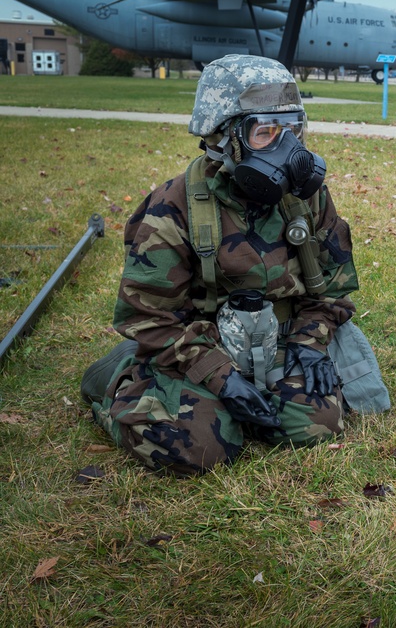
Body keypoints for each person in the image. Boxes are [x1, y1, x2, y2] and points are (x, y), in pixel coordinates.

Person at [84, 54, 360, 477]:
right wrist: (218, 375)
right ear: (222, 137)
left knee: (316, 427)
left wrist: (310, 341)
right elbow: (150, 318)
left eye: (293, 130)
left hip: (278, 341)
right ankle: (118, 383)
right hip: (196, 348)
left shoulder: (307, 198)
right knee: (202, 450)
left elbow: (332, 290)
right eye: (265, 133)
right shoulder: (171, 208)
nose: (288, 149)